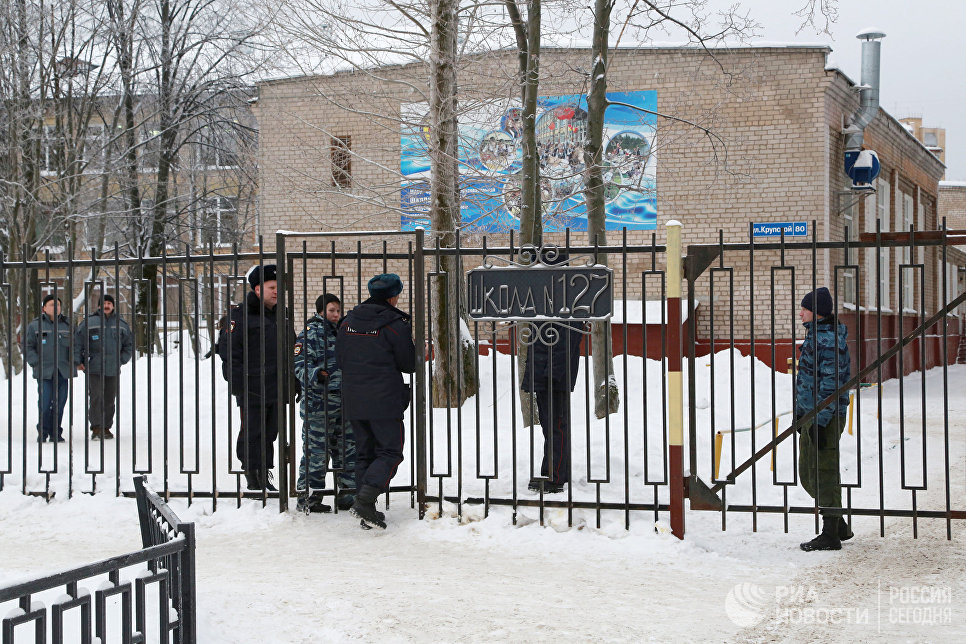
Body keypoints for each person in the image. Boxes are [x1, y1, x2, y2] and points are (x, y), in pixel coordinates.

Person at [337, 273, 416, 529]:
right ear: (393, 297)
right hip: (384, 400)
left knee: (364, 454)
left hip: (354, 400)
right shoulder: (395, 325)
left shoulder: (347, 323)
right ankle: (365, 499)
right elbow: (408, 364)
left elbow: (340, 360)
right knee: (390, 451)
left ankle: (365, 510)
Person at [220, 264, 287, 491]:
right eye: (271, 287)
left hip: (276, 386)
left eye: (279, 287)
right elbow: (230, 353)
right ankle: (252, 473)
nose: (276, 291)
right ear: (257, 289)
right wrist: (238, 385)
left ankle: (264, 471)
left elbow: (288, 349)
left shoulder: (280, 315)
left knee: (270, 432)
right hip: (252, 387)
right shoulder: (240, 316)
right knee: (252, 431)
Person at [796, 286, 852, 551]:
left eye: (804, 309)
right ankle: (837, 523)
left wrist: (820, 420)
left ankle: (831, 533)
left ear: (816, 313)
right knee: (808, 472)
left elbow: (832, 385)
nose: (800, 313)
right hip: (813, 414)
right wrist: (802, 411)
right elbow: (810, 379)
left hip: (825, 417)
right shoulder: (817, 335)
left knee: (823, 471)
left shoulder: (828, 340)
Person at [294, 293, 355, 514]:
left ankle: (349, 492)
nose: (336, 314)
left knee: (347, 449)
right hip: (318, 405)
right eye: (332, 310)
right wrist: (316, 374)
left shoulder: (345, 332)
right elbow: (299, 366)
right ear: (321, 311)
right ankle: (309, 497)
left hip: (345, 403)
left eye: (338, 310)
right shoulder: (309, 334)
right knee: (316, 451)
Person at [522, 315, 585, 495]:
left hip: (552, 377)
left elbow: (566, 342)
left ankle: (555, 477)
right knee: (549, 426)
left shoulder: (567, 308)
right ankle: (553, 472)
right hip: (543, 374)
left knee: (556, 426)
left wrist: (553, 373)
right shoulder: (548, 306)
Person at [74, 294, 133, 440]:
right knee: (96, 397)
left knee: (109, 399)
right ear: (99, 306)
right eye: (104, 303)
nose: (107, 305)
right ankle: (96, 427)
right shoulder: (89, 322)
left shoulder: (121, 324)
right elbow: (77, 343)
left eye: (109, 303)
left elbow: (129, 345)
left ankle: (106, 427)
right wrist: (78, 361)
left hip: (113, 368)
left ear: (113, 306)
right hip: (94, 367)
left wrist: (121, 360)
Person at [24, 294, 76, 442]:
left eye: (58, 305)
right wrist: (36, 363)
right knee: (45, 403)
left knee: (60, 403)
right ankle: (43, 431)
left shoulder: (68, 325)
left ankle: (56, 432)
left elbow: (77, 345)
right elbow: (28, 347)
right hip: (45, 371)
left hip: (63, 371)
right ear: (44, 308)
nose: (56, 307)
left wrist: (76, 360)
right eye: (52, 305)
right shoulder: (35, 326)